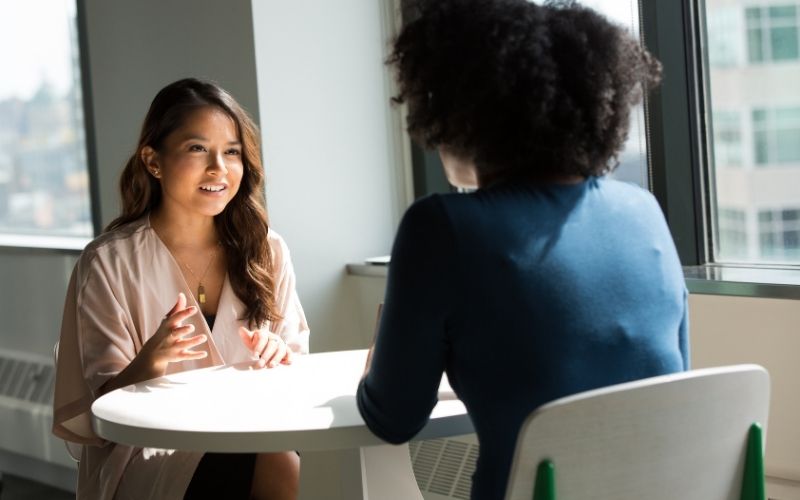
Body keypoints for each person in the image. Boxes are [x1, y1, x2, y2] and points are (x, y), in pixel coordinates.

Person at [356, 1, 689, 499]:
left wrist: (378, 361)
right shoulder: (644, 212)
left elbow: (393, 418)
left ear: (459, 112)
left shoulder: (442, 227)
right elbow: (674, 381)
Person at [52, 78, 309, 500]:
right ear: (153, 161)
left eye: (231, 152)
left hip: (255, 430)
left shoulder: (267, 249)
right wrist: (148, 364)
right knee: (277, 459)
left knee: (293, 454)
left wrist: (280, 356)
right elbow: (97, 416)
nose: (219, 169)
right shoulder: (108, 263)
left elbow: (297, 367)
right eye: (197, 149)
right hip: (149, 452)